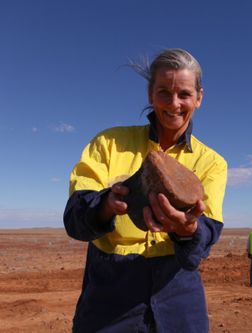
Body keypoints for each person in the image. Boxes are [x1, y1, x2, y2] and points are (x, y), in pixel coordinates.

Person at [63, 48, 227, 333]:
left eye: (184, 94)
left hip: (179, 298)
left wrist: (188, 231)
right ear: (150, 95)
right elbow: (75, 219)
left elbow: (203, 240)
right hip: (109, 297)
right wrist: (107, 204)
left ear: (199, 98)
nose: (174, 103)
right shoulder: (109, 143)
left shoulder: (212, 163)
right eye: (163, 92)